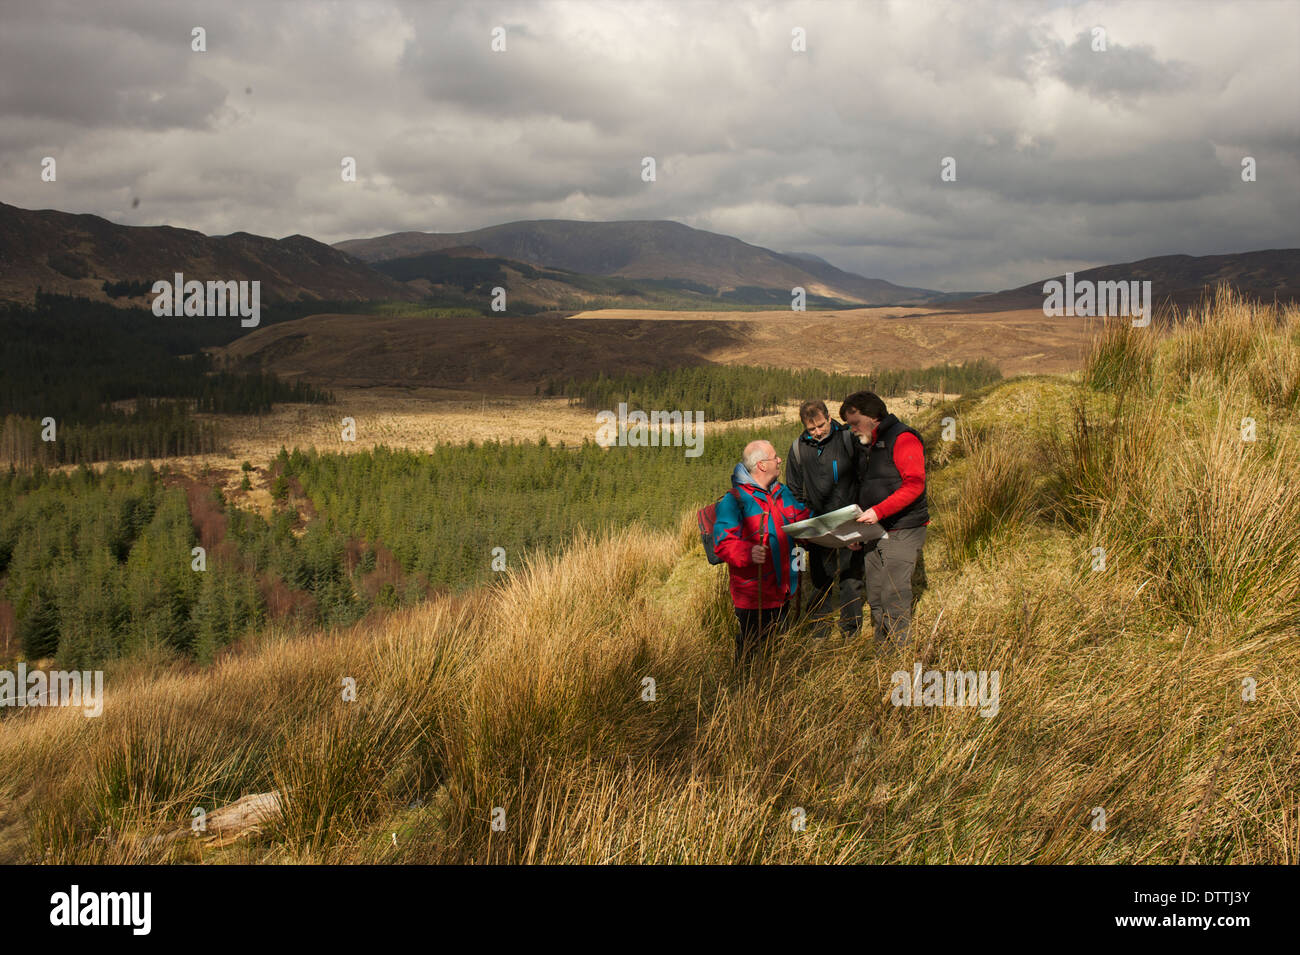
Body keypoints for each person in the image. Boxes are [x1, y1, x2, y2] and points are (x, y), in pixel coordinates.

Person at [840, 391, 928, 646]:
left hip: (904, 528)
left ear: (874, 416)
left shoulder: (904, 438)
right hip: (874, 530)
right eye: (849, 425)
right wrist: (856, 530)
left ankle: (899, 653)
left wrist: (879, 511)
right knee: (876, 593)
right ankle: (883, 650)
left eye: (855, 423)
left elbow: (914, 485)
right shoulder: (867, 444)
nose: (852, 429)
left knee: (894, 594)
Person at [712, 439, 812, 664]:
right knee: (751, 655)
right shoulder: (734, 501)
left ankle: (777, 693)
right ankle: (745, 694)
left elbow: (801, 519)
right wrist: (748, 553)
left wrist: (837, 532)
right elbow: (723, 543)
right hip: (753, 596)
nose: (779, 460)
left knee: (779, 654)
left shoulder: (780, 492)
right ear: (762, 466)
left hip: (784, 590)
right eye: (775, 457)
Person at [783, 399, 867, 639]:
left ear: (829, 418)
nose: (818, 432)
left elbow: (863, 476)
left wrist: (860, 517)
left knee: (851, 577)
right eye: (812, 429)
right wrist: (807, 523)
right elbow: (794, 489)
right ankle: (819, 629)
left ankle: (850, 629)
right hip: (819, 524)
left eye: (821, 425)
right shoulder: (798, 448)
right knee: (821, 577)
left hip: (852, 520)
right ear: (804, 427)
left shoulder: (847, 439)